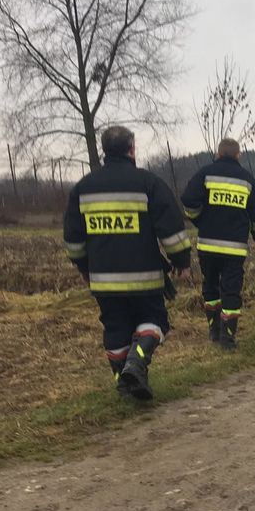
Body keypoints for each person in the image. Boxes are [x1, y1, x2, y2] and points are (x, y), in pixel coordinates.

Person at [63, 126, 191, 401]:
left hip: (103, 280)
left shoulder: (83, 188)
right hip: (145, 277)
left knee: (116, 330)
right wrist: (180, 260)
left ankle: (125, 386)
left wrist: (84, 268)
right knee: (154, 322)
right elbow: (170, 228)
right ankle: (136, 364)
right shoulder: (148, 183)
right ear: (132, 148)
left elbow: (73, 239)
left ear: (104, 150)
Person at [181, 138, 255, 351]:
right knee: (231, 291)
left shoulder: (205, 174)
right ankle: (227, 338)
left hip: (208, 246)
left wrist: (199, 220)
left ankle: (213, 330)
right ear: (238, 155)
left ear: (218, 154)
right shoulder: (248, 181)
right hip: (234, 248)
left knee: (210, 287)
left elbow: (188, 200)